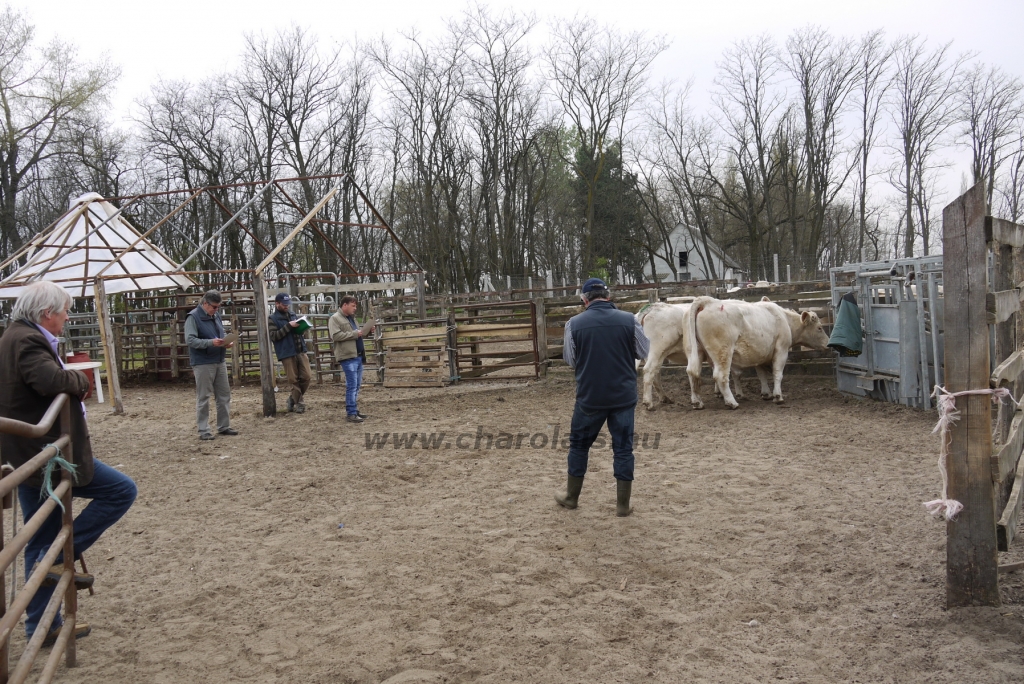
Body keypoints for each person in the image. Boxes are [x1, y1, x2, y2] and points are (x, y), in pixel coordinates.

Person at [0, 281, 137, 645]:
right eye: (64, 311)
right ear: (47, 313)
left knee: (40, 536)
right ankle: (62, 557)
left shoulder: (16, 335)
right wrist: (80, 379)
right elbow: (48, 379)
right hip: (46, 457)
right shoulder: (28, 340)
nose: (67, 316)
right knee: (121, 490)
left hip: (33, 454)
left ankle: (40, 627)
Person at [555, 277, 649, 516]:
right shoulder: (630, 320)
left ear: (585, 299)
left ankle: (571, 497)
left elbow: (570, 359)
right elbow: (643, 351)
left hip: (590, 396)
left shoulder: (573, 324)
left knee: (578, 446)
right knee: (623, 449)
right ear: (608, 296)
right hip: (623, 396)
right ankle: (623, 505)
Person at [185, 290, 237, 440]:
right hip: (203, 363)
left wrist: (225, 342)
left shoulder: (215, 315)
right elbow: (190, 340)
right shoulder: (193, 317)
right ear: (205, 303)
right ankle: (203, 430)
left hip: (218, 360)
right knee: (204, 397)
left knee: (224, 395)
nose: (216, 309)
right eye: (214, 307)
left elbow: (218, 335)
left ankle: (224, 426)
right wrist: (211, 343)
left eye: (218, 307)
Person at [329, 296, 374, 423]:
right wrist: (356, 333)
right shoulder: (335, 318)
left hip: (357, 355)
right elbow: (336, 336)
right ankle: (351, 412)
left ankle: (354, 410)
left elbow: (358, 335)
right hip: (347, 356)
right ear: (345, 305)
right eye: (353, 306)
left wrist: (367, 332)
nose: (355, 308)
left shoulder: (351, 319)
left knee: (356, 385)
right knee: (352, 385)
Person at [269, 293, 311, 413]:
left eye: (288, 304)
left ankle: (292, 398)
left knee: (307, 376)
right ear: (277, 304)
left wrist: (301, 329)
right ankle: (300, 403)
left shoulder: (292, 314)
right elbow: (274, 336)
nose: (287, 306)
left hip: (300, 349)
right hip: (286, 352)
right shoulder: (272, 319)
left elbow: (295, 331)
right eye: (284, 304)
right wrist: (288, 326)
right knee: (293, 379)